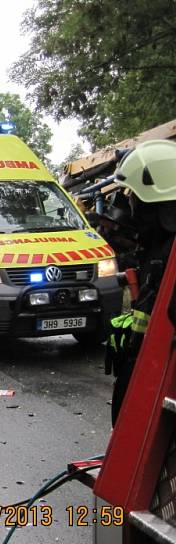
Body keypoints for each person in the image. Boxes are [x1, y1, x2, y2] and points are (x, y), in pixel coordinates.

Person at [105, 139, 176, 424]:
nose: (129, 206)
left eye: (134, 198)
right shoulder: (157, 250)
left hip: (157, 384)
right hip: (145, 375)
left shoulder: (169, 255)